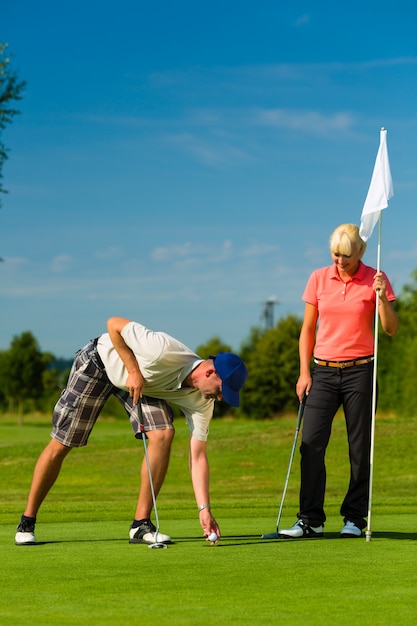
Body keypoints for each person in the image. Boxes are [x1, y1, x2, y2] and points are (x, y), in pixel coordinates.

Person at [15, 317, 248, 546]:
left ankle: (140, 524)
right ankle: (27, 521)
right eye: (221, 390)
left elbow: (198, 456)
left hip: (142, 383)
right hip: (99, 363)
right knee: (62, 444)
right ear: (209, 373)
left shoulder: (202, 402)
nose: (219, 398)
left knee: (163, 434)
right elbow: (113, 324)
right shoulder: (161, 351)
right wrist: (133, 370)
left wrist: (204, 509)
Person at [279, 224, 398, 539]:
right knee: (311, 444)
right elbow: (307, 329)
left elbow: (390, 329)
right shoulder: (319, 277)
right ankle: (310, 520)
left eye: (346, 255)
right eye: (335, 254)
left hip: (361, 370)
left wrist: (382, 298)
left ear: (360, 251)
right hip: (324, 372)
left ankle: (355, 518)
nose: (340, 261)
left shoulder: (376, 278)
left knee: (359, 447)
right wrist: (304, 373)